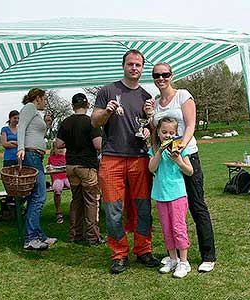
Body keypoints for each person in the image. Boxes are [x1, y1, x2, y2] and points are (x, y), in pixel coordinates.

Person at [91, 49, 159, 274]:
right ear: (123, 66)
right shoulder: (108, 90)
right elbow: (94, 122)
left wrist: (150, 124)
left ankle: (143, 250)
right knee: (113, 209)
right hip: (112, 158)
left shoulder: (146, 96)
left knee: (142, 207)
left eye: (138, 65)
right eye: (130, 64)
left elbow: (151, 129)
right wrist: (107, 112)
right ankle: (119, 253)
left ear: (142, 67)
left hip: (139, 158)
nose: (134, 68)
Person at [148, 62, 216, 273]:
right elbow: (156, 132)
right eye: (157, 75)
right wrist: (150, 118)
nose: (161, 78)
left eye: (165, 74)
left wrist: (179, 149)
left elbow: (190, 126)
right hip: (166, 160)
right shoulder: (156, 103)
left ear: (171, 75)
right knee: (170, 210)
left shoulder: (183, 95)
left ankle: (208, 255)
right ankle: (173, 257)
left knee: (197, 205)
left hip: (186, 155)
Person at [56, 93, 104, 246]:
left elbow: (58, 144)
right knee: (91, 201)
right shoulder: (91, 122)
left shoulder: (65, 122)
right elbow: (98, 145)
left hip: (70, 166)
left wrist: (71, 143)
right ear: (87, 104)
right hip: (87, 165)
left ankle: (75, 235)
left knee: (76, 200)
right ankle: (92, 237)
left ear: (72, 106)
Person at [148, 117, 193, 278]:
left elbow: (190, 171)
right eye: (164, 132)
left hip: (177, 195)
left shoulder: (181, 148)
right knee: (167, 229)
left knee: (178, 228)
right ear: (158, 133)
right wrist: (159, 152)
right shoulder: (155, 150)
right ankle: (172, 259)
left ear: (176, 134)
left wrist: (179, 160)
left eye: (171, 132)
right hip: (161, 195)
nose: (167, 135)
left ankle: (184, 262)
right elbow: (152, 168)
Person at [17, 88, 57, 250]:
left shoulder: (35, 112)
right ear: (38, 98)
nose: (45, 102)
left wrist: (46, 125)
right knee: (39, 196)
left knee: (36, 196)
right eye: (44, 99)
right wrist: (21, 148)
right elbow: (21, 128)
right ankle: (31, 238)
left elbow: (37, 134)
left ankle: (38, 235)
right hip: (31, 155)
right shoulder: (29, 107)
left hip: (36, 156)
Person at [0, 110, 19, 222]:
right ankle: (6, 210)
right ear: (10, 118)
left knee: (18, 183)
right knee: (9, 183)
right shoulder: (4, 129)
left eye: (18, 118)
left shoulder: (20, 129)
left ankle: (17, 207)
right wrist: (16, 143)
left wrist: (13, 143)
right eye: (15, 118)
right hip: (8, 159)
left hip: (18, 158)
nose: (16, 120)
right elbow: (4, 144)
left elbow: (22, 143)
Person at [47, 141, 70, 224]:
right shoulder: (51, 158)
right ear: (54, 149)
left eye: (62, 148)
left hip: (66, 178)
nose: (60, 150)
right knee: (57, 189)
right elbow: (48, 169)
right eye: (58, 148)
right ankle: (58, 211)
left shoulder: (67, 157)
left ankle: (76, 209)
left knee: (76, 187)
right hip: (58, 179)